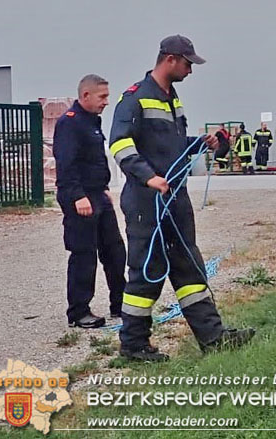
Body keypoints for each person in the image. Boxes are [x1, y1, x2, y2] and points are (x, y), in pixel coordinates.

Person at [108, 34, 255, 361]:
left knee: (189, 269)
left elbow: (171, 147)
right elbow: (120, 145)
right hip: (147, 202)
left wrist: (202, 142)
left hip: (175, 199)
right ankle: (134, 345)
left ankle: (214, 339)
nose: (191, 69)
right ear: (170, 59)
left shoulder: (172, 98)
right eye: (188, 63)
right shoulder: (135, 98)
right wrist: (149, 178)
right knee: (146, 274)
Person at [53, 74, 126, 329]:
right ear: (85, 96)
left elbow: (93, 161)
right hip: (80, 197)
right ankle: (79, 312)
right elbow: (66, 164)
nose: (106, 102)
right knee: (84, 254)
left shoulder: (92, 122)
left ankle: (121, 303)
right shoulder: (70, 124)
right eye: (102, 96)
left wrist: (103, 189)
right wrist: (78, 196)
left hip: (97, 194)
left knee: (115, 250)